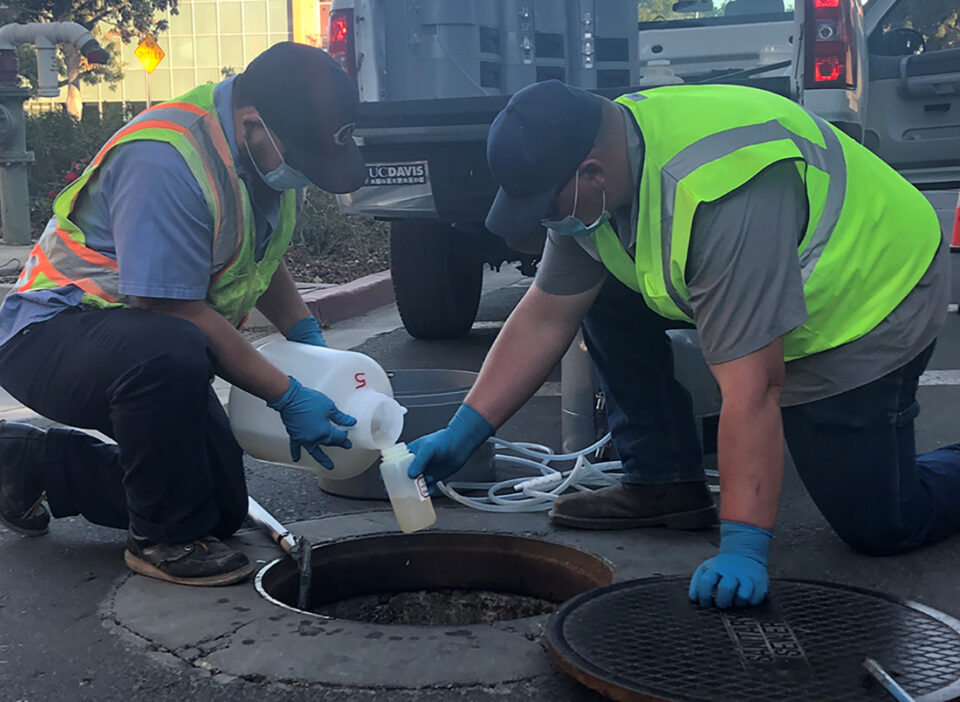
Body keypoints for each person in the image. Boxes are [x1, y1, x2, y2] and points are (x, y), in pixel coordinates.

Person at [406, 80, 960, 608]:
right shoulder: (597, 163)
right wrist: (465, 432)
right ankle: (662, 482)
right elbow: (547, 314)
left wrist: (744, 545)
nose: (549, 223)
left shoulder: (721, 191)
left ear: (592, 173)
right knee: (597, 288)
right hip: (766, 276)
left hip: (872, 298)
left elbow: (753, 389)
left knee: (881, 523)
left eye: (549, 208)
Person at [0, 42, 366, 587]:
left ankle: (38, 464)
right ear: (254, 123)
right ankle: (162, 540)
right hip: (53, 335)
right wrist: (286, 394)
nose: (305, 175)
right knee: (173, 353)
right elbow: (173, 310)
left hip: (141, 341)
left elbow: (258, 261)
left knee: (221, 509)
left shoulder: (261, 154)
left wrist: (307, 340)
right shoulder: (166, 158)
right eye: (304, 160)